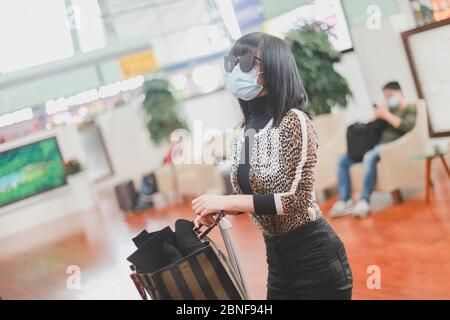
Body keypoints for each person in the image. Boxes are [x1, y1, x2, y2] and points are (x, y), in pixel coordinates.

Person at [191, 32, 353, 300]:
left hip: (315, 255)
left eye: (246, 62)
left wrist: (228, 201)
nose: (235, 71)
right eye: (231, 63)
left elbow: (296, 200)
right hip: (277, 260)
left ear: (274, 69)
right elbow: (250, 199)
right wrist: (220, 209)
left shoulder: (293, 121)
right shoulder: (240, 132)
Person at [329, 81, 417, 218]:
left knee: (369, 156)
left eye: (391, 95)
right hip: (375, 144)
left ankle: (364, 200)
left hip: (392, 145)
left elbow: (407, 126)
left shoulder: (410, 108)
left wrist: (386, 114)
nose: (389, 99)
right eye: (386, 96)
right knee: (342, 160)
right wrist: (376, 116)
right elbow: (368, 129)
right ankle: (345, 201)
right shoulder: (387, 110)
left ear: (401, 93)